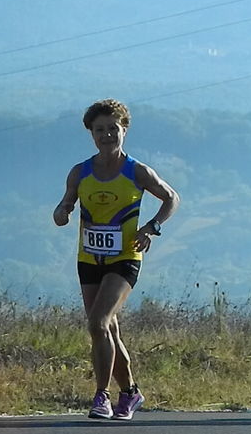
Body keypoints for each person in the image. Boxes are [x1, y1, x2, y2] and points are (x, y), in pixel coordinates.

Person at [53, 99, 180, 420]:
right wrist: (62, 211)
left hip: (125, 257)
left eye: (114, 129)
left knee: (97, 322)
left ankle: (101, 397)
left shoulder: (136, 170)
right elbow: (64, 205)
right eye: (100, 130)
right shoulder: (80, 172)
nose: (107, 135)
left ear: (124, 130)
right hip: (89, 257)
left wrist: (152, 227)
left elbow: (171, 197)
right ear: (90, 133)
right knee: (107, 329)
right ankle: (130, 393)